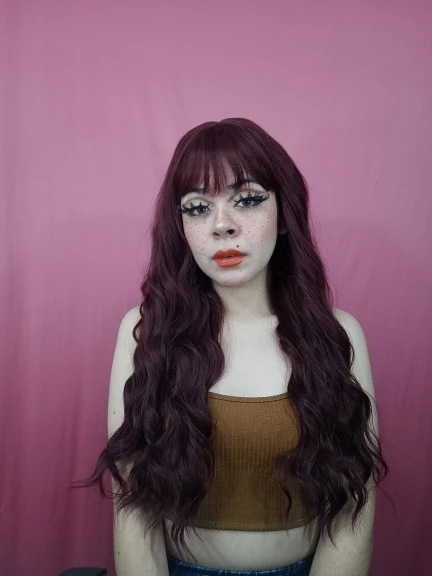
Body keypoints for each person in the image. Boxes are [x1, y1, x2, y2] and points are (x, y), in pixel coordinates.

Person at [75, 118, 388, 576]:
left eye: (247, 200)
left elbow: (353, 505)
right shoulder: (144, 333)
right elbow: (133, 503)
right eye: (198, 207)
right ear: (181, 227)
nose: (222, 225)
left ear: (284, 214)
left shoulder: (340, 335)